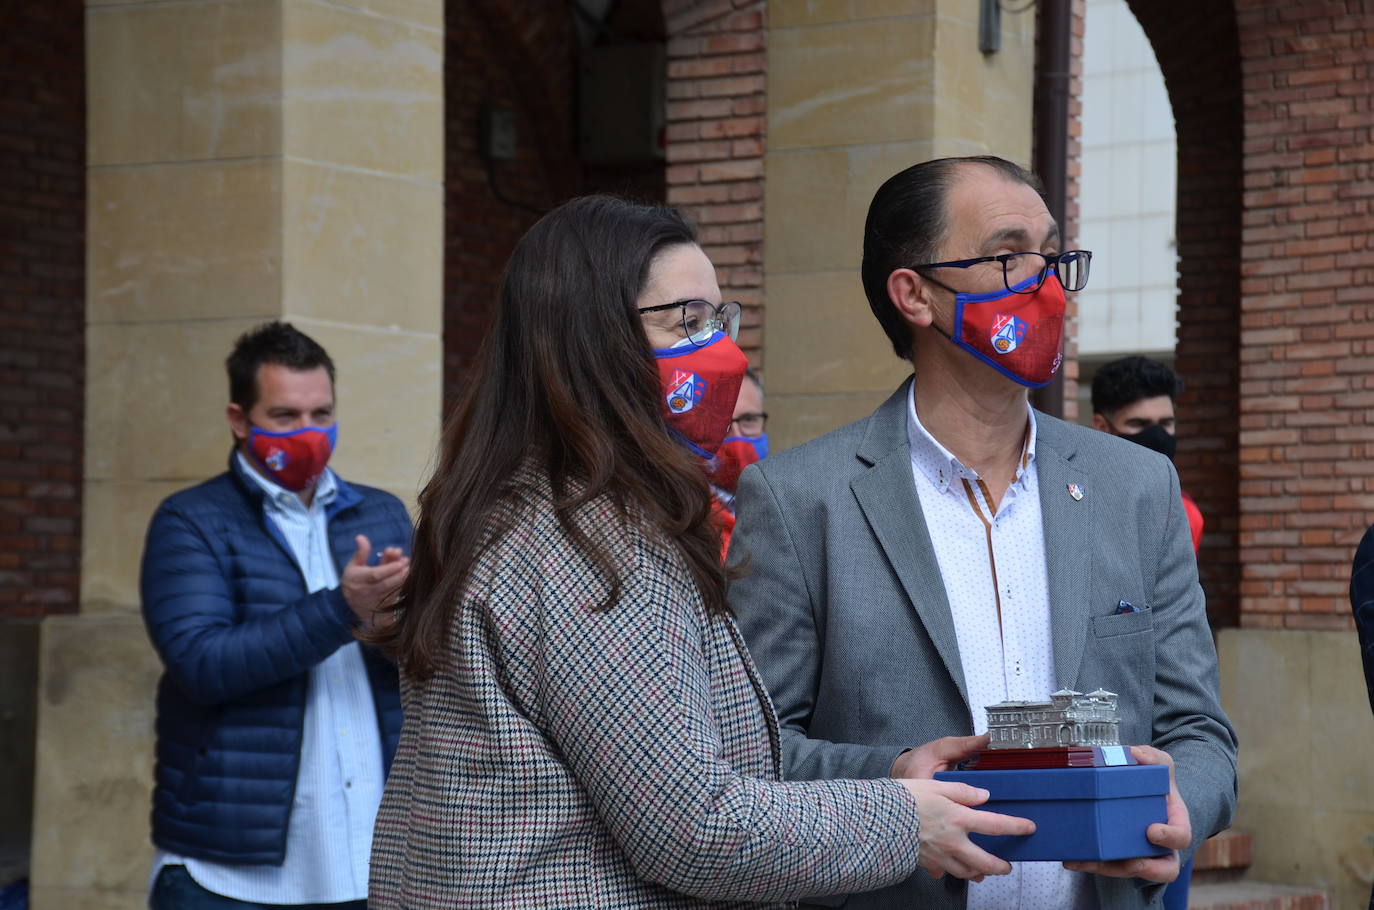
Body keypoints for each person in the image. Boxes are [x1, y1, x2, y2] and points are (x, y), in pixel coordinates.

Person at [365, 195, 1035, 909]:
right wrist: (906, 820)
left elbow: (684, 761)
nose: (724, 353)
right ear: (592, 342)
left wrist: (889, 773)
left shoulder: (534, 507)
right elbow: (693, 827)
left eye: (720, 319)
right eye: (686, 322)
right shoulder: (590, 542)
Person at [730, 156, 1238, 910]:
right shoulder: (801, 501)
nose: (1046, 284)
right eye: (1008, 257)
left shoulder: (1137, 487)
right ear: (915, 294)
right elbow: (751, 752)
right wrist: (893, 784)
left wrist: (1181, 809)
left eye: (1053, 255)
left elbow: (1200, 731)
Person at [139, 322, 413, 910]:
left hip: (375, 857)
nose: (310, 434)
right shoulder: (191, 521)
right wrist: (343, 608)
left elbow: (419, 670)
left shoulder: (383, 514)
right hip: (231, 872)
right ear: (240, 420)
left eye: (322, 414)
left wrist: (407, 625)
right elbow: (202, 665)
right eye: (286, 417)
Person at [1091, 355, 1204, 554]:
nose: (1157, 437)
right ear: (1102, 427)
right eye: (1139, 424)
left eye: (1165, 423)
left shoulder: (1185, 513)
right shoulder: (1075, 502)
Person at [709, 368, 769, 549]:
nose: (737, 434)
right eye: (722, 422)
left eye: (749, 419)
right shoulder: (687, 515)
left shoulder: (785, 501)